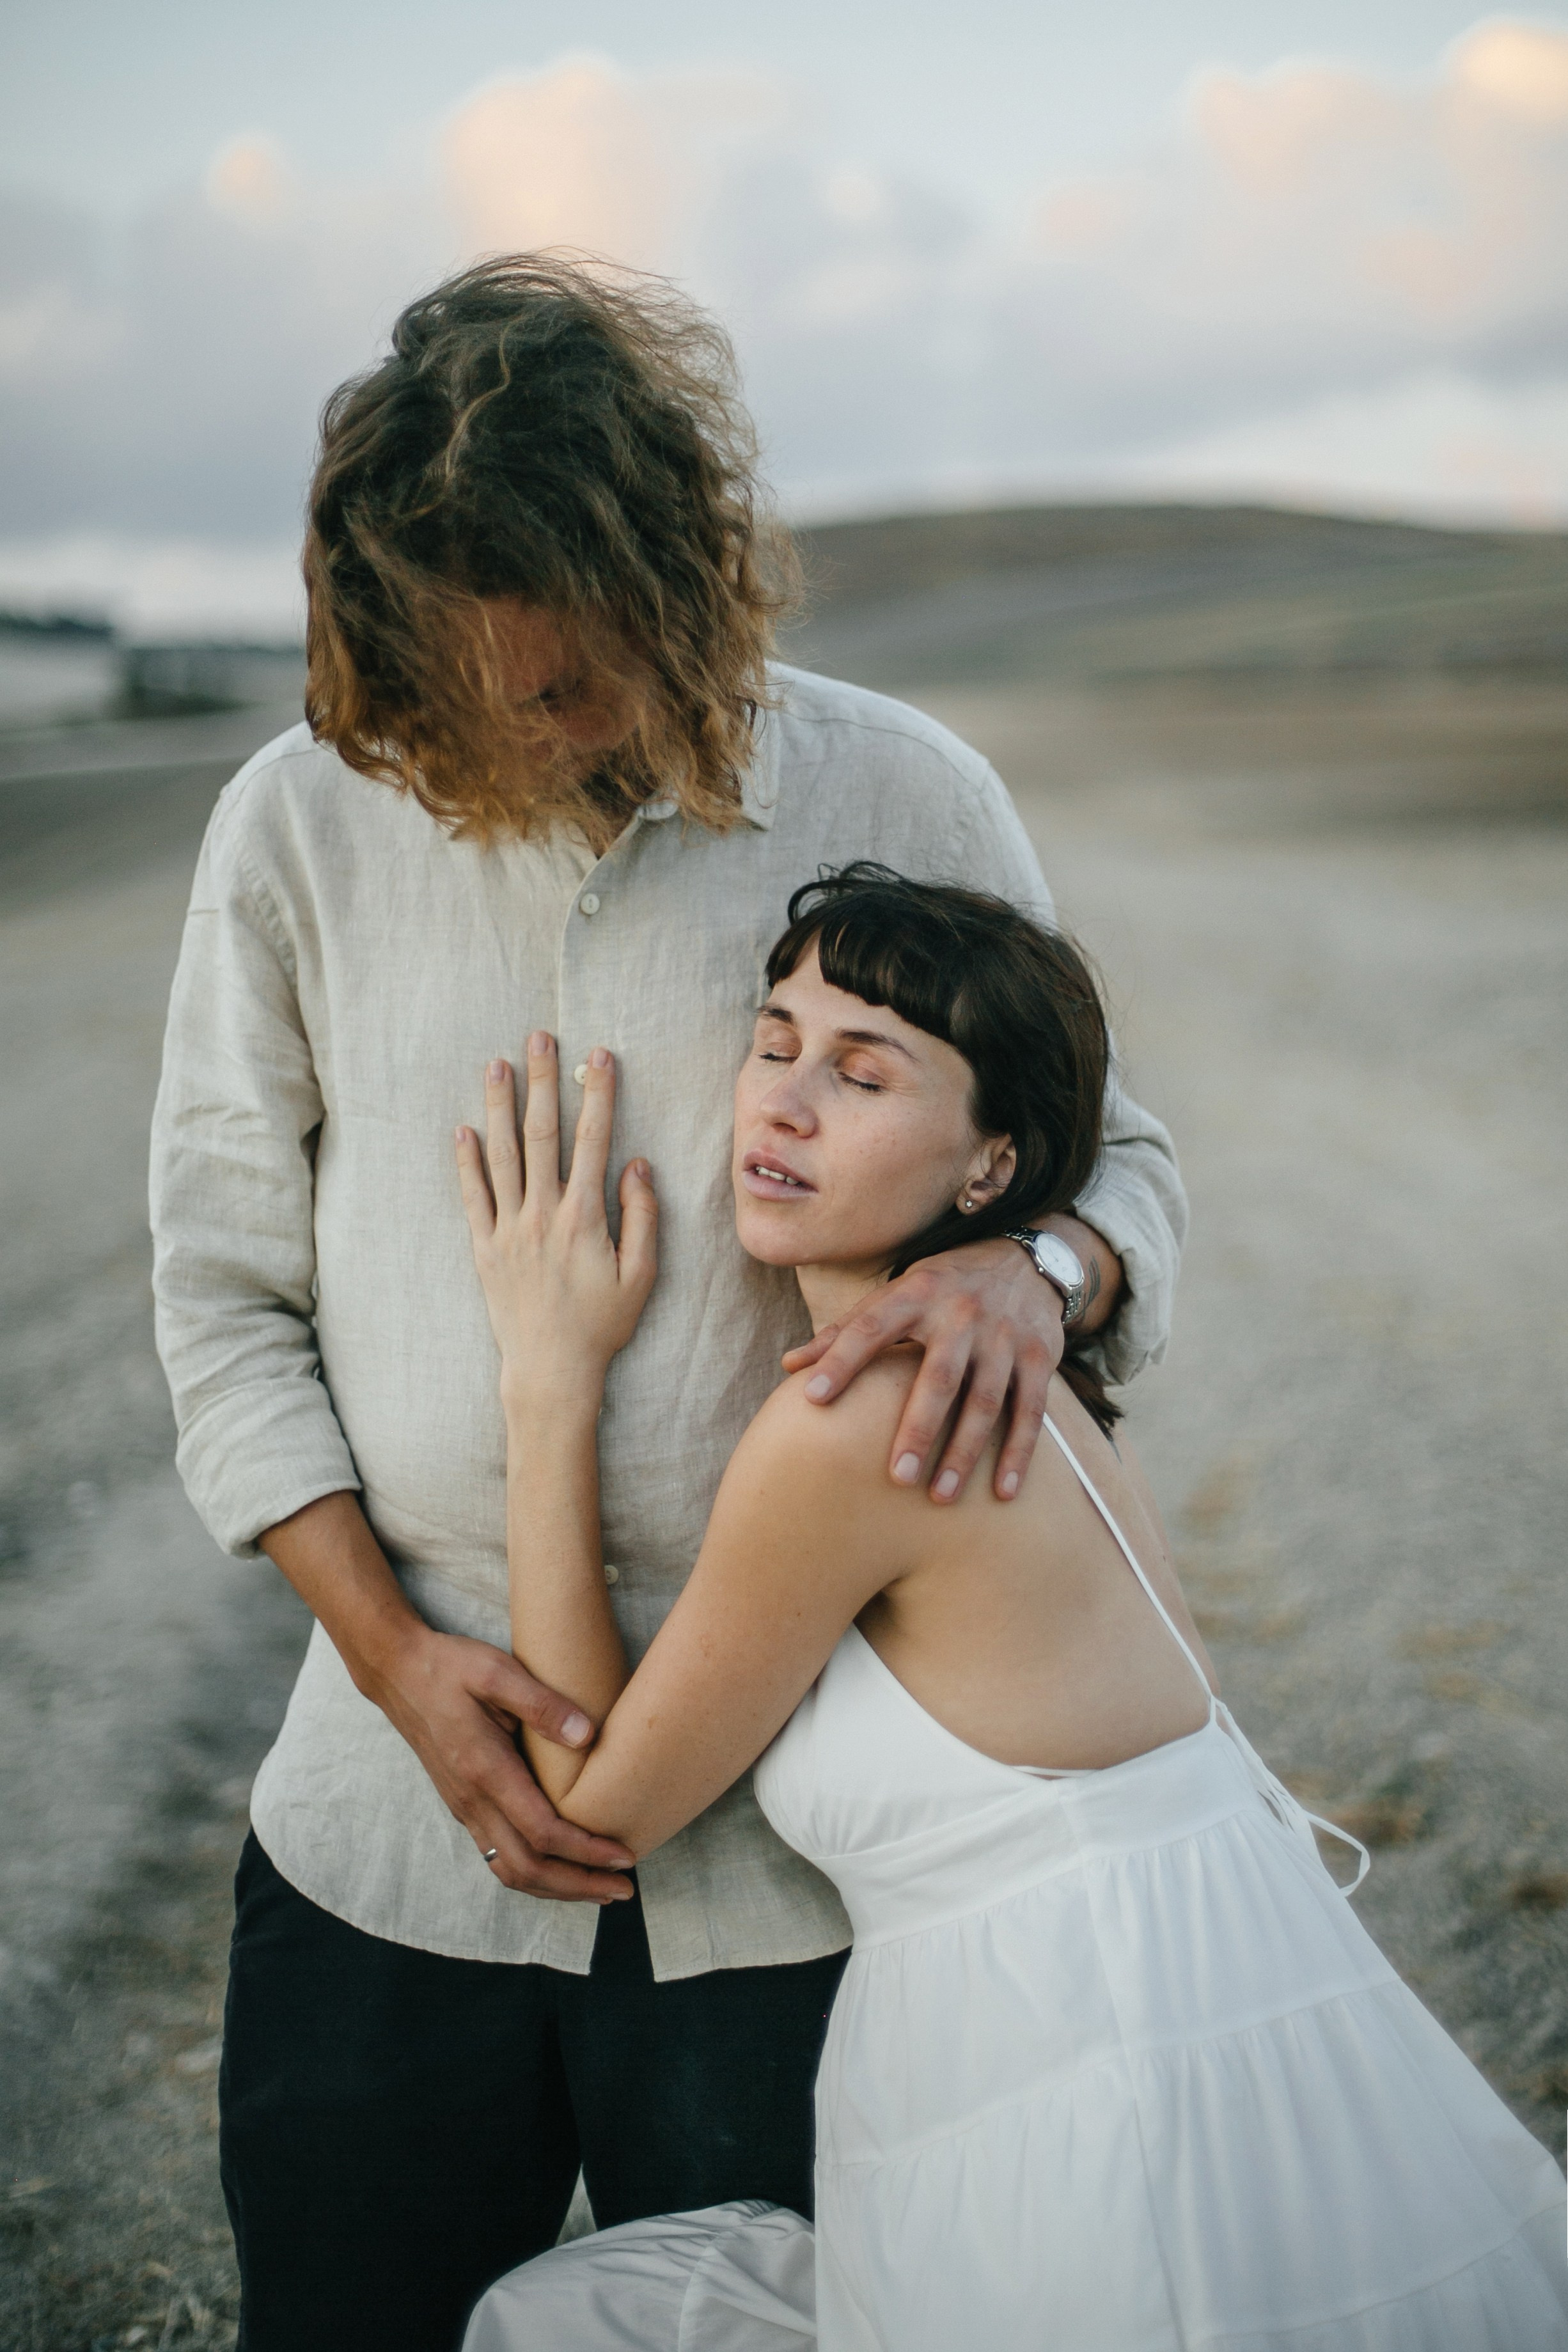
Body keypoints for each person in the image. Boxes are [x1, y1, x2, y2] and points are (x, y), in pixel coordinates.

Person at [148, 256, 1188, 2352]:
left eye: (567, 681)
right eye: (465, 692)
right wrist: (392, 1659)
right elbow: (222, 1293)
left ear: (681, 576)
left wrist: (1036, 1257)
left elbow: (1123, 1157)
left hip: (797, 1877)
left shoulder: (905, 791)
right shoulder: (292, 824)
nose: (519, 734)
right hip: (390, 1832)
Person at [459, 864, 1568, 2352]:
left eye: (862, 1074)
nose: (779, 1105)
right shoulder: (1030, 1382)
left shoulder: (855, 1426)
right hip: (1187, 2040)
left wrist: (545, 1377)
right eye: (772, 1041)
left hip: (1100, 2100)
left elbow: (586, 1810)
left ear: (989, 1172)